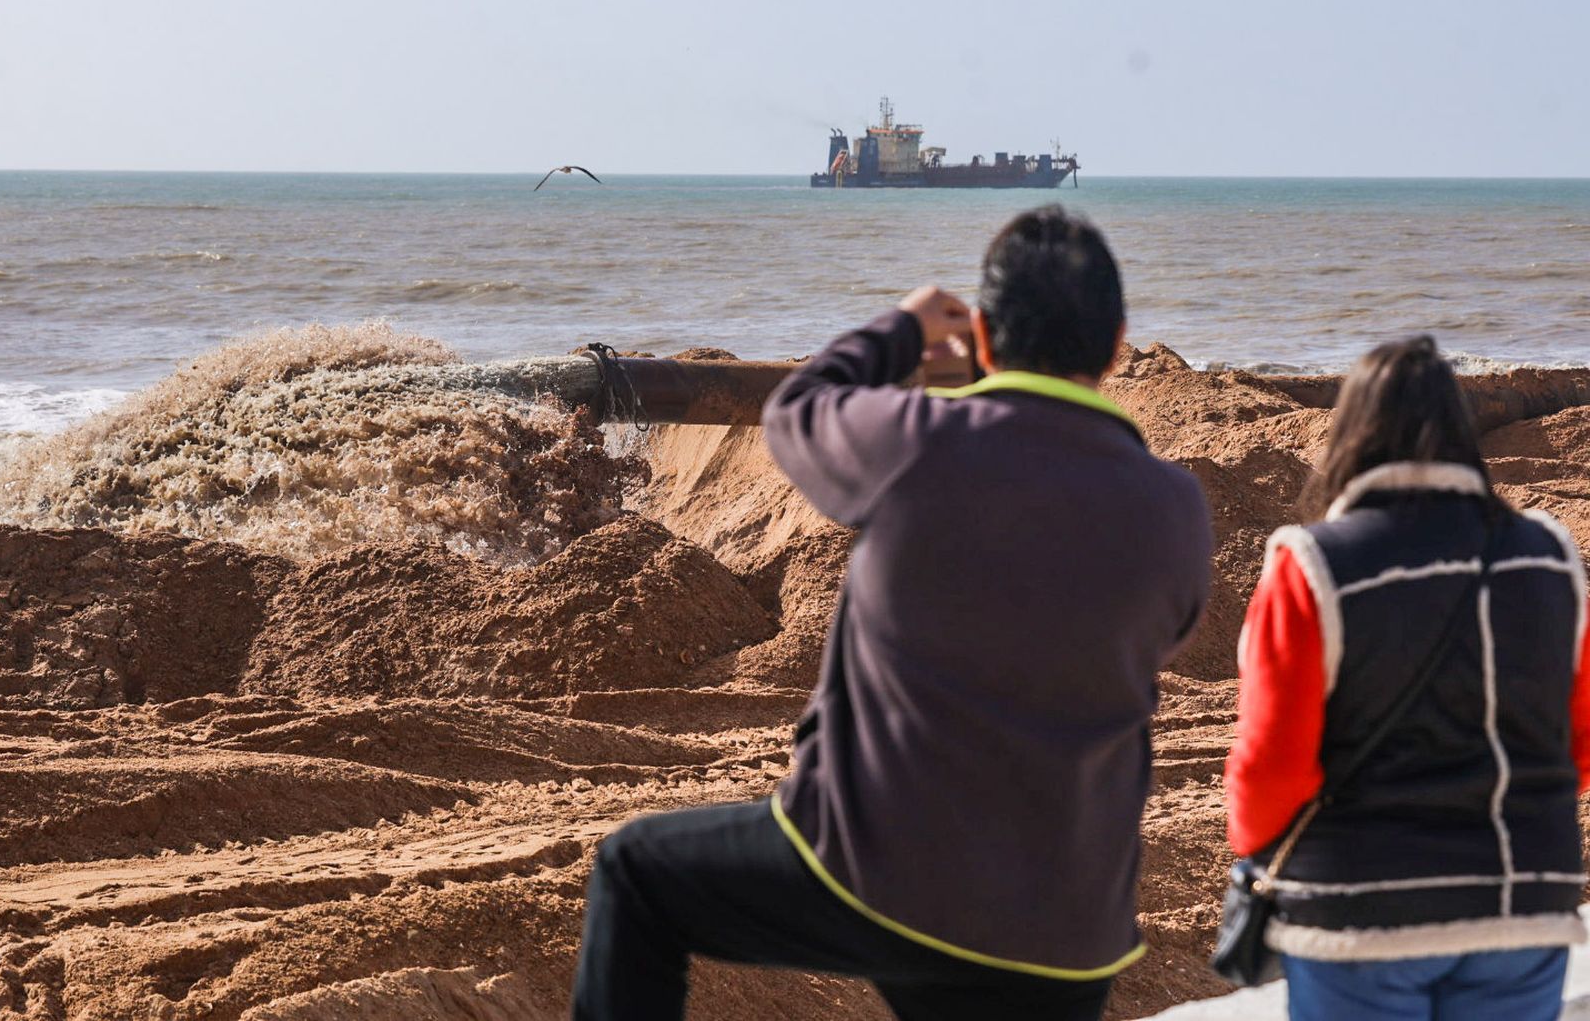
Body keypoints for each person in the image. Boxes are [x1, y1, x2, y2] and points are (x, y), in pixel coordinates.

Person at [570, 205, 1212, 1020]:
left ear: (984, 338)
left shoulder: (920, 443)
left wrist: (901, 331)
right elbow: (1154, 629)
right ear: (1117, 344)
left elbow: (797, 411)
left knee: (634, 873)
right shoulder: (1175, 506)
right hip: (1065, 929)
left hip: (879, 873)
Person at [1225, 335, 1590, 1020]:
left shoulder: (1310, 564)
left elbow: (1270, 766)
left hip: (1360, 911)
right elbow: (1579, 745)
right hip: (1522, 900)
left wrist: (1257, 853)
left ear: (1349, 434)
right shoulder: (1550, 555)